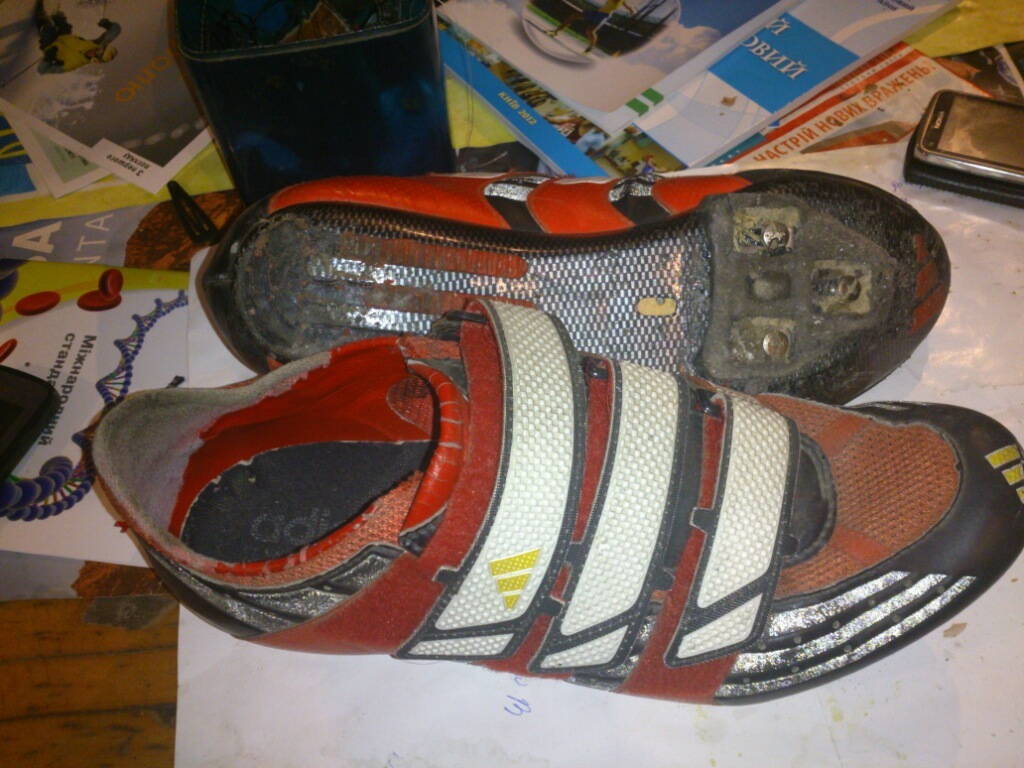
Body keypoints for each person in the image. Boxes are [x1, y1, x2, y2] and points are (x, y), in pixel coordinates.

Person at [35, 1, 121, 74]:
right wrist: (107, 24)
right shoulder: (96, 44)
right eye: (101, 48)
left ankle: (41, 18)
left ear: (95, 59)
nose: (96, 50)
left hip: (51, 45)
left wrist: (48, 58)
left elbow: (41, 70)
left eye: (98, 53)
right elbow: (116, 30)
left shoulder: (73, 63)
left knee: (47, 28)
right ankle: (51, 5)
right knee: (59, 18)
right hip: (64, 35)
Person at [547, 0, 636, 54]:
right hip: (598, 12)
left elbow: (623, 3)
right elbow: (626, 4)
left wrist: (631, 9)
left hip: (604, 16)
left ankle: (590, 47)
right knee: (574, 16)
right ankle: (555, 32)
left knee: (590, 31)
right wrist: (630, 9)